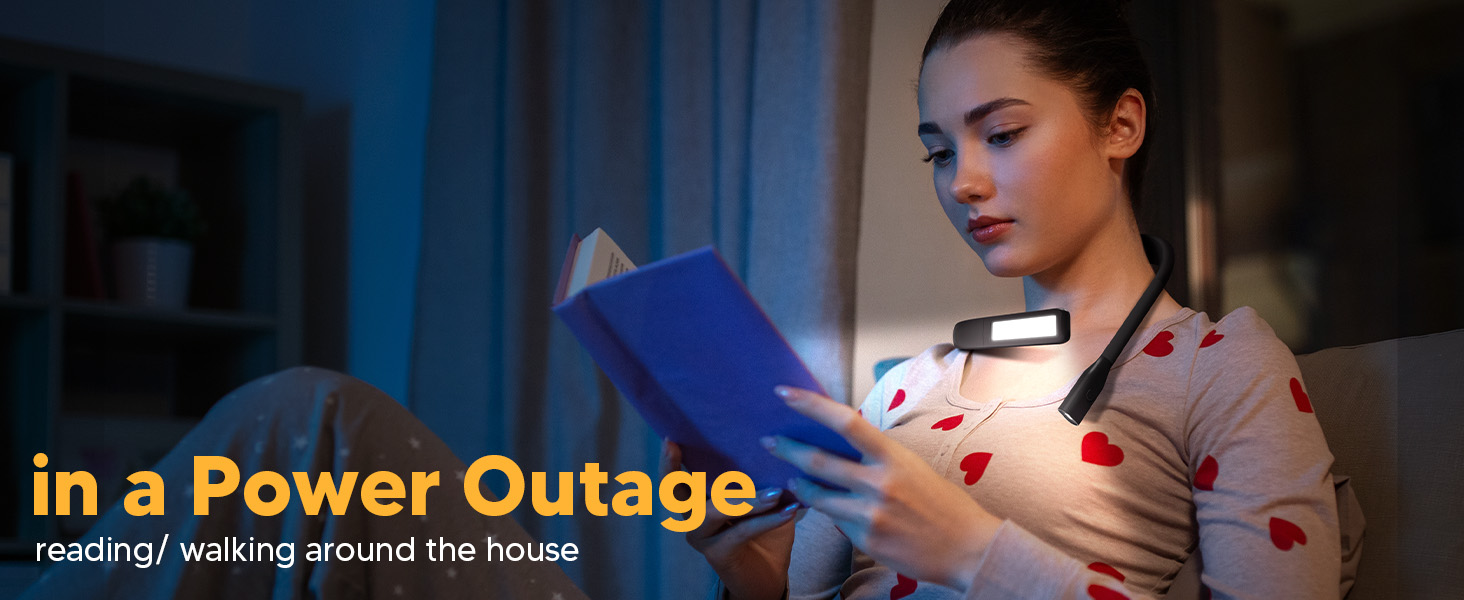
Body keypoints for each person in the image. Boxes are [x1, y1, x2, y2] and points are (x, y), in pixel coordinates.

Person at [663, 1, 1344, 599]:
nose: (964, 181)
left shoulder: (1222, 364)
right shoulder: (903, 388)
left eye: (1002, 135)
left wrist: (972, 552)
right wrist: (750, 568)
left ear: (1121, 126)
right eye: (940, 153)